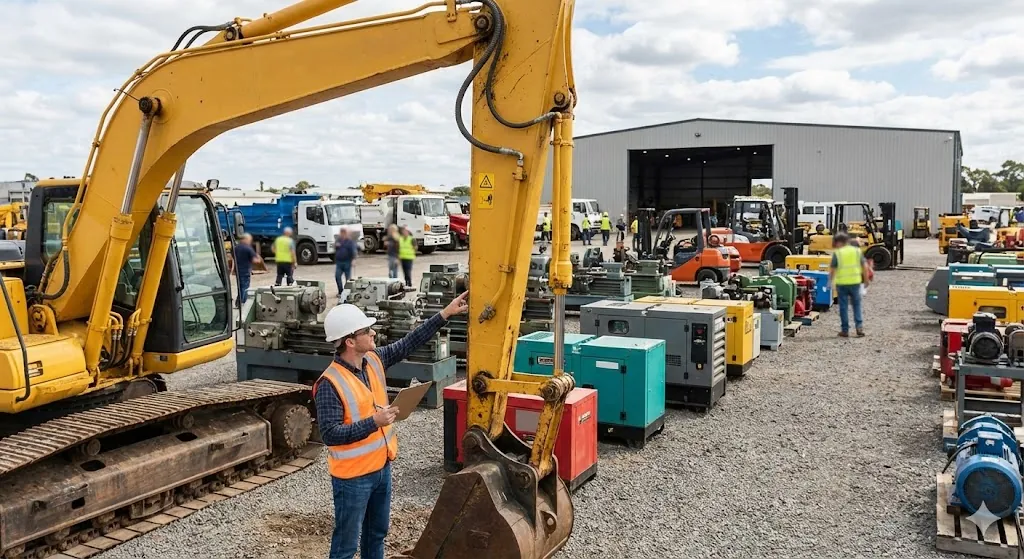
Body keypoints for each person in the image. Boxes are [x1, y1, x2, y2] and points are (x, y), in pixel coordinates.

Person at [315, 292, 470, 559]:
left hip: (381, 468)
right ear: (350, 341)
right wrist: (373, 422)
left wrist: (445, 314)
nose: (373, 333)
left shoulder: (373, 361)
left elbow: (409, 343)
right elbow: (330, 434)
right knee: (345, 547)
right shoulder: (329, 383)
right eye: (367, 330)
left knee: (376, 535)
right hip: (352, 479)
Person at [829, 232, 869, 338]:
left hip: (842, 284)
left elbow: (832, 269)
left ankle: (845, 330)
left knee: (843, 307)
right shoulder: (857, 251)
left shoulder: (838, 253)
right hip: (855, 282)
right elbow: (864, 266)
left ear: (839, 242)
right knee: (857, 305)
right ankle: (859, 327)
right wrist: (866, 280)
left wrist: (830, 281)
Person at [233, 233, 261, 305]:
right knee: (245, 287)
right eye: (249, 240)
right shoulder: (248, 248)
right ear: (245, 239)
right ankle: (242, 302)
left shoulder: (236, 248)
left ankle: (238, 302)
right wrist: (259, 258)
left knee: (240, 287)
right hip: (245, 270)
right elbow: (255, 261)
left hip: (238, 269)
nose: (250, 241)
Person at [334, 230, 359, 297]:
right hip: (339, 262)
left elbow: (354, 251)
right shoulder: (338, 240)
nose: (342, 234)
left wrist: (354, 259)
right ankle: (340, 291)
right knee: (337, 276)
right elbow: (335, 248)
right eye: (341, 233)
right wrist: (336, 246)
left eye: (344, 233)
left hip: (347, 262)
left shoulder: (350, 242)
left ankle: (347, 292)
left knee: (348, 278)